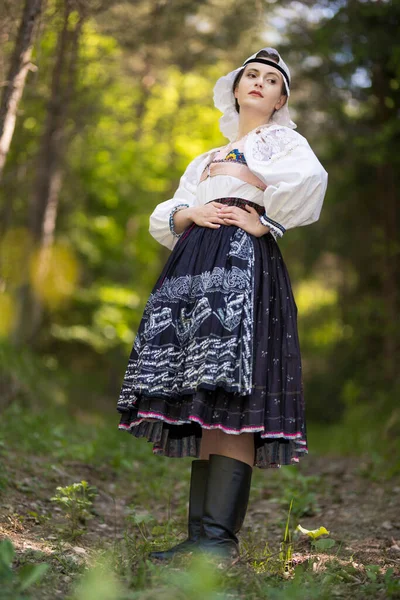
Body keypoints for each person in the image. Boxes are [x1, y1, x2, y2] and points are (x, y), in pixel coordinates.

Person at [117, 47, 328, 562]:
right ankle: (199, 538)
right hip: (194, 268)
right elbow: (169, 210)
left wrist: (264, 216)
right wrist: (191, 212)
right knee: (207, 394)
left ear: (281, 99)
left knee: (233, 389)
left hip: (243, 263)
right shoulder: (205, 156)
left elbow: (309, 182)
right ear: (235, 90)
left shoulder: (283, 141)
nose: (258, 82)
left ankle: (217, 541)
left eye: (271, 80)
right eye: (249, 75)